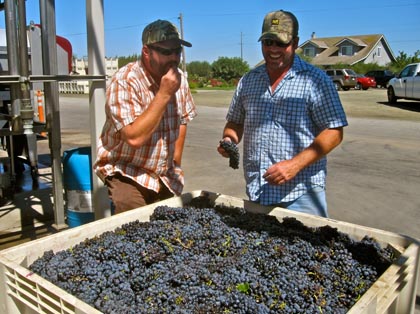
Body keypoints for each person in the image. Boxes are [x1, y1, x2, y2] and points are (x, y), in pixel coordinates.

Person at [217, 10, 348, 217]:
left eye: (281, 43)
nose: (273, 49)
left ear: (295, 43)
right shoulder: (249, 80)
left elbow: (334, 131)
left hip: (302, 193)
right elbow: (235, 122)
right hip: (258, 189)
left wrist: (294, 165)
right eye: (268, 42)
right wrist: (229, 139)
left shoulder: (315, 80)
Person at [94, 19, 197, 214]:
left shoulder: (179, 79)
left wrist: (176, 162)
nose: (174, 58)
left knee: (167, 227)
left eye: (178, 51)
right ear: (146, 52)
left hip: (164, 174)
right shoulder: (125, 81)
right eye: (166, 52)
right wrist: (165, 93)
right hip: (127, 170)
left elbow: (183, 119)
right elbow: (134, 137)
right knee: (135, 222)